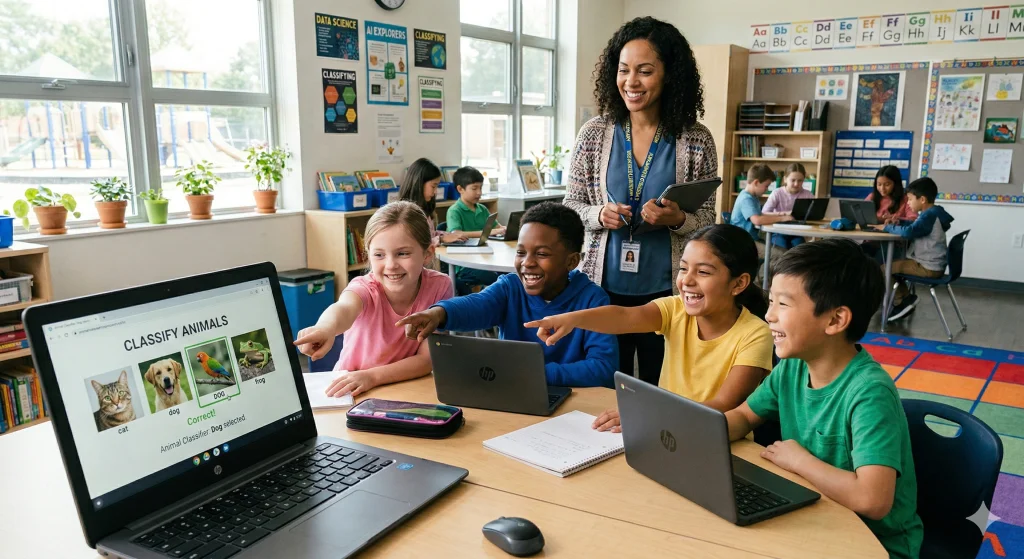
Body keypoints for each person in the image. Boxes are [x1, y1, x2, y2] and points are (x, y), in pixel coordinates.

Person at [723, 239, 923, 559]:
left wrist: (799, 461)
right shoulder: (791, 368)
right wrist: (689, 426)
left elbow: (873, 499)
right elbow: (744, 416)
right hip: (813, 517)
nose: (769, 316)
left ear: (834, 320)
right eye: (770, 301)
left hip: (874, 544)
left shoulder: (869, 394)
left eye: (783, 305)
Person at [563, 16, 718, 386]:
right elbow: (570, 205)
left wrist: (678, 219)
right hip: (601, 289)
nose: (631, 82)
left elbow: (712, 221)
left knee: (658, 390)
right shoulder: (594, 133)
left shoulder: (696, 139)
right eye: (624, 70)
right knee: (597, 388)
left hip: (668, 296)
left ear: (669, 74)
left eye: (645, 71)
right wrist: (598, 213)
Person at [525, 224, 773, 431]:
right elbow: (623, 316)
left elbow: (723, 405)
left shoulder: (755, 334)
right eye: (684, 268)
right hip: (662, 431)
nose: (686, 280)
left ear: (739, 283)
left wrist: (650, 415)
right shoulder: (676, 309)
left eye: (704, 272)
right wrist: (571, 319)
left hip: (713, 437)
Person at [398, 203, 618, 388]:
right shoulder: (511, 287)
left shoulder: (593, 300)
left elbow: (602, 368)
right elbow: (477, 305)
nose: (527, 263)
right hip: (516, 393)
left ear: (571, 261)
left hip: (574, 404)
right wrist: (438, 313)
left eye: (542, 254)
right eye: (521, 252)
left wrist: (532, 373)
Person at [293, 201, 453, 397]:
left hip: (404, 387)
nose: (391, 265)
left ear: (427, 253)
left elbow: (427, 360)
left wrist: (372, 377)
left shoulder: (440, 286)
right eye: (379, 255)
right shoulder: (364, 287)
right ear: (368, 255)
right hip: (351, 390)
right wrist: (325, 328)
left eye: (402, 253)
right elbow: (343, 309)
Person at [870, 177, 954, 321]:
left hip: (927, 267)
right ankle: (905, 299)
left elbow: (910, 232)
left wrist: (887, 227)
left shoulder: (929, 215)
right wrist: (899, 221)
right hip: (933, 265)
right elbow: (916, 226)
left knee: (883, 269)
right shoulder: (935, 213)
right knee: (893, 266)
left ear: (922, 199)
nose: (908, 203)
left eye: (909, 199)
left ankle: (902, 301)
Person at [446, 166, 505, 294]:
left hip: (484, 257)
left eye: (480, 188)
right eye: (474, 188)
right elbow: (455, 234)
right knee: (497, 279)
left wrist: (504, 229)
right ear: (460, 189)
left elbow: (496, 227)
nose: (479, 192)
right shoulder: (454, 211)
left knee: (507, 274)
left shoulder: (482, 209)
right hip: (464, 264)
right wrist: (487, 232)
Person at [730, 163, 793, 263]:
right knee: (781, 256)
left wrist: (781, 214)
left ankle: (764, 277)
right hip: (744, 243)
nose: (767, 189)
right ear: (756, 182)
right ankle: (763, 278)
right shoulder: (746, 199)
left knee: (784, 253)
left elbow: (760, 214)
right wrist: (781, 219)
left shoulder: (752, 197)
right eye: (766, 186)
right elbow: (757, 220)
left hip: (751, 239)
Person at [397, 158, 466, 246]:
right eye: (433, 186)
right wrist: (441, 239)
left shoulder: (424, 207)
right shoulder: (406, 213)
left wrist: (450, 235)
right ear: (419, 184)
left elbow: (430, 235)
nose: (435, 192)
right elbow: (415, 243)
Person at [761, 163, 812, 249]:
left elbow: (813, 215)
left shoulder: (808, 195)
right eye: (793, 180)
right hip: (778, 231)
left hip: (797, 232)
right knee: (781, 250)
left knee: (800, 251)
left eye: (800, 181)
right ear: (785, 179)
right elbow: (764, 213)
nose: (796, 184)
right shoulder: (777, 193)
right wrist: (783, 214)